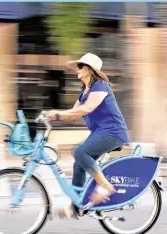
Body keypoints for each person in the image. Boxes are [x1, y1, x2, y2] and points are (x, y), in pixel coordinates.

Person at [42, 53, 130, 219]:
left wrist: (59, 114)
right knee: (78, 162)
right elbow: (74, 114)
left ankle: (105, 186)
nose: (78, 69)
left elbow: (87, 108)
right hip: (100, 133)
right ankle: (76, 206)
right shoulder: (84, 91)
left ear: (90, 69)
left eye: (80, 66)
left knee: (81, 152)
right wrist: (54, 115)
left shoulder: (101, 86)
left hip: (113, 132)